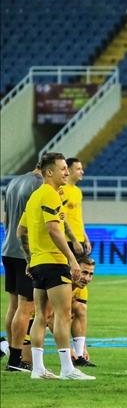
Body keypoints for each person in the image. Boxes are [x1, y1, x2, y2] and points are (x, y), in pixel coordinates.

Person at [19, 152, 94, 380]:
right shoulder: (50, 194)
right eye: (63, 168)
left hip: (38, 263)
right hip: (54, 261)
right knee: (63, 314)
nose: (66, 172)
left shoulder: (35, 197)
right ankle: (67, 368)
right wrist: (71, 259)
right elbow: (53, 229)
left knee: (41, 316)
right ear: (49, 172)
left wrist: (29, 259)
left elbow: (21, 232)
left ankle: (38, 369)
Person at [2, 164, 42, 372]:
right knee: (26, 307)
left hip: (8, 249)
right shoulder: (40, 184)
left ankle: (12, 353)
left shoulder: (14, 182)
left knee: (13, 305)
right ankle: (16, 360)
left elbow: (6, 218)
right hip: (25, 252)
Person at [70, 255, 97, 367]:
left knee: (80, 307)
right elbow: (50, 318)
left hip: (54, 318)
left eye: (90, 274)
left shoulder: (81, 289)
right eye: (84, 273)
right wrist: (67, 349)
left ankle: (79, 355)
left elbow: (80, 315)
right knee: (27, 359)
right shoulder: (60, 285)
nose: (87, 278)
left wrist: (83, 348)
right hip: (33, 321)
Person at [61, 157, 90, 256]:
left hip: (79, 239)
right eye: (78, 169)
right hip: (68, 240)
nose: (82, 172)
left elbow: (78, 218)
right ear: (68, 170)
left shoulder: (78, 191)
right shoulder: (61, 190)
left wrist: (86, 239)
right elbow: (62, 218)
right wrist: (74, 240)